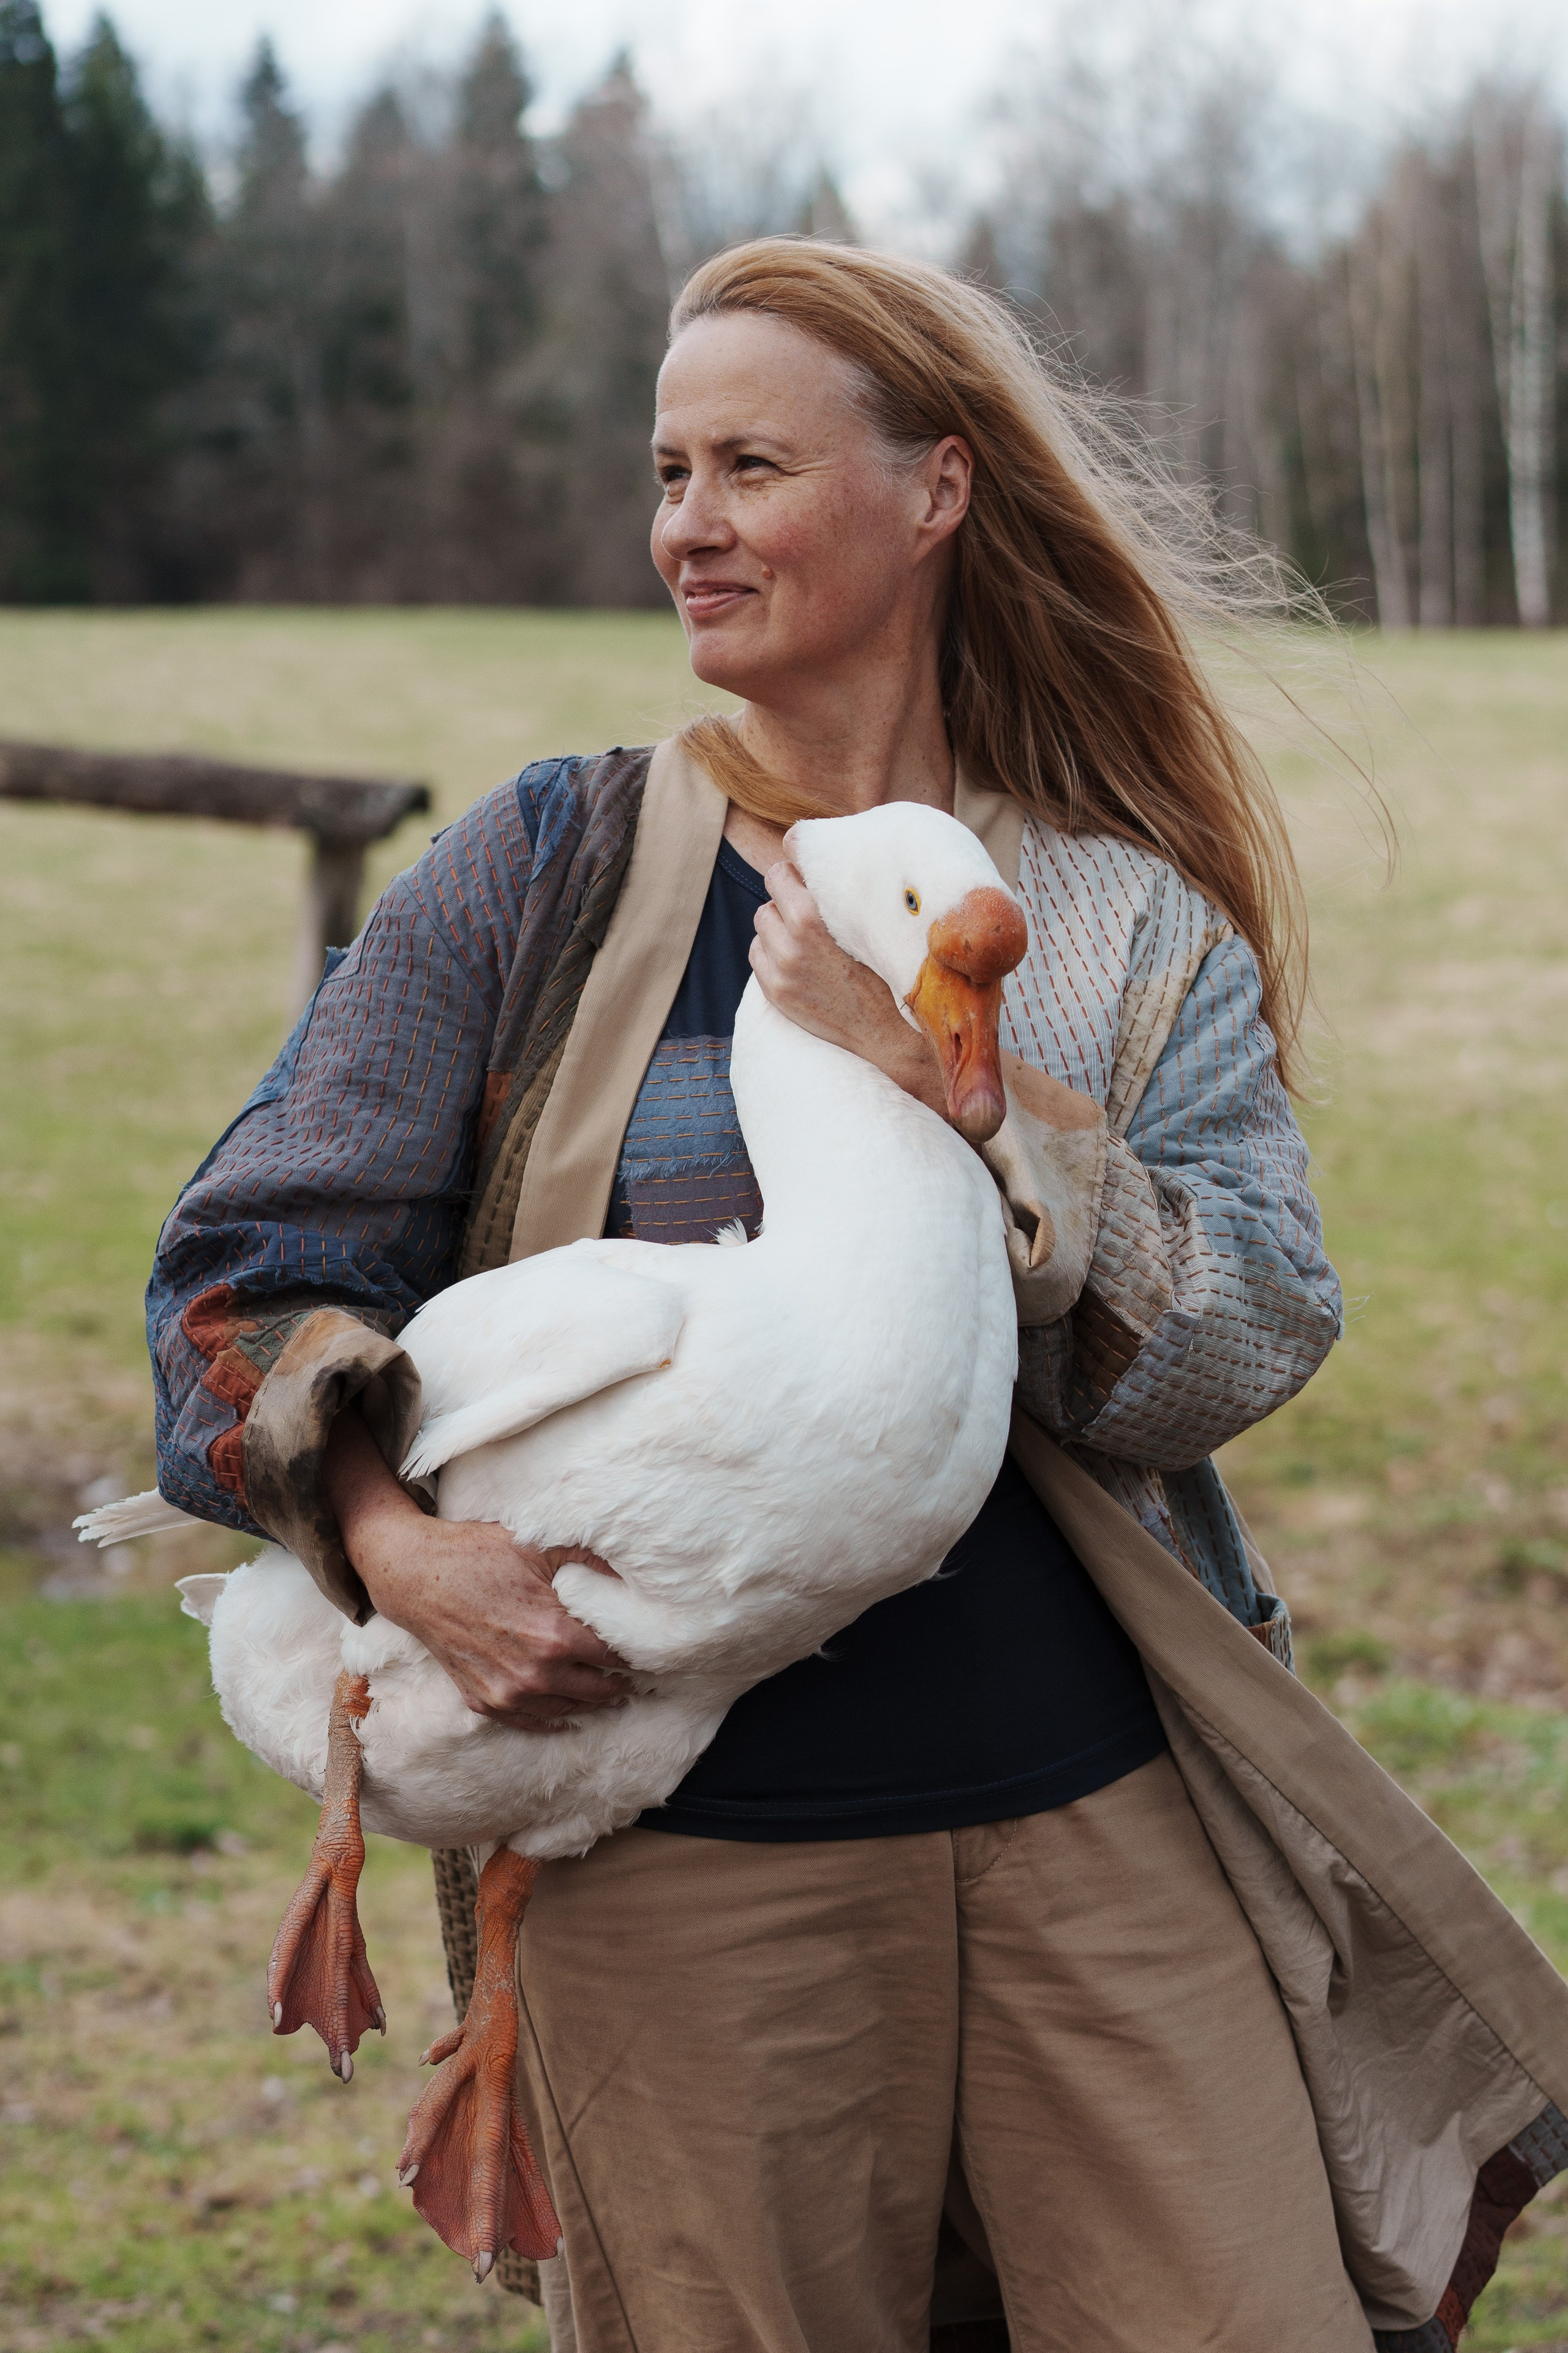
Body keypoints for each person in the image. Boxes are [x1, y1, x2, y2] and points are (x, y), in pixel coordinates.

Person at [148, 241, 1568, 2353]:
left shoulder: (1101, 913)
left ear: (935, 493)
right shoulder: (545, 871)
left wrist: (972, 1107)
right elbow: (239, 1279)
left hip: (1095, 1816)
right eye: (667, 469)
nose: (688, 524)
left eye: (749, 464)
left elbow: (1252, 1327)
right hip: (688, 1861)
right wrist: (393, 1546)